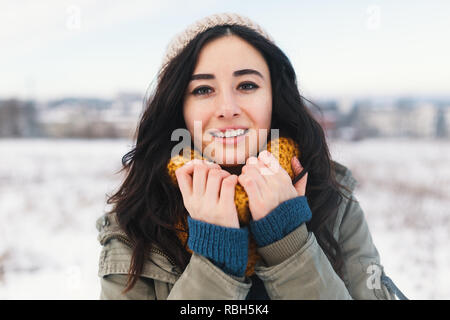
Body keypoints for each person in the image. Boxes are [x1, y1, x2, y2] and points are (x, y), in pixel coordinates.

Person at [96, 12, 406, 300]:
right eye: (203, 90)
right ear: (178, 105)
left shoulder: (332, 198)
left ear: (275, 97)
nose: (228, 108)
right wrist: (216, 253)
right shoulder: (135, 222)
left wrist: (289, 242)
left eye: (247, 85)